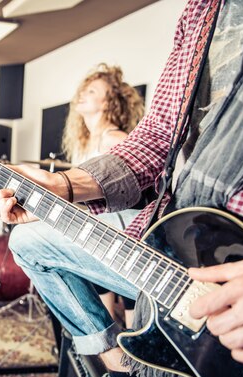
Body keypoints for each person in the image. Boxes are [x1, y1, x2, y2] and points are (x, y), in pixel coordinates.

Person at [0, 1, 243, 377]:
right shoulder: (201, 10)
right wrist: (61, 186)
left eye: (92, 92)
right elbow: (156, 138)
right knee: (29, 239)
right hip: (181, 262)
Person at [60, 63, 145, 327]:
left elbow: (142, 192)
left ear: (109, 103)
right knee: (102, 302)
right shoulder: (84, 144)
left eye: (93, 91)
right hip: (99, 233)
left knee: (132, 323)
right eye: (83, 90)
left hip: (127, 236)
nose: (82, 94)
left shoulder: (114, 139)